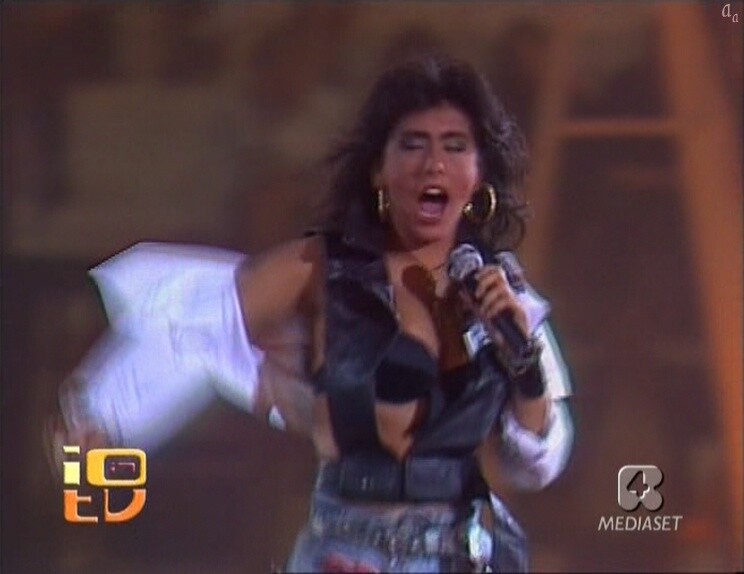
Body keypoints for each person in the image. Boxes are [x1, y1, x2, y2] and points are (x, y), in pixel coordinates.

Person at [47, 54, 573, 572]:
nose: (434, 163)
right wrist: (103, 412)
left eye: (455, 147)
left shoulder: (500, 293)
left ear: (479, 176)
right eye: (413, 145)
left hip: (464, 555)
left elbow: (533, 467)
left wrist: (524, 368)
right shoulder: (321, 270)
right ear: (379, 171)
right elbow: (193, 322)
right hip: (348, 552)